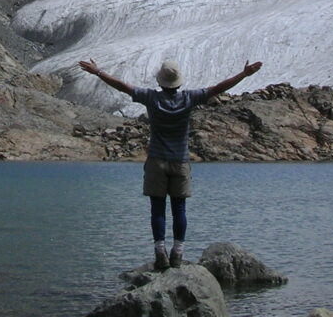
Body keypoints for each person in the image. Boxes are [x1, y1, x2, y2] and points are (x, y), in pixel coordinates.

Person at [78, 57, 263, 270]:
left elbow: (123, 87)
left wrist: (98, 72)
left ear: (160, 82)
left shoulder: (150, 98)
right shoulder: (189, 98)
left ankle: (160, 252)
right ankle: (178, 252)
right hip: (181, 161)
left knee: (157, 209)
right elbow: (218, 88)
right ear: (179, 82)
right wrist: (244, 74)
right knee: (179, 208)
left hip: (156, 160)